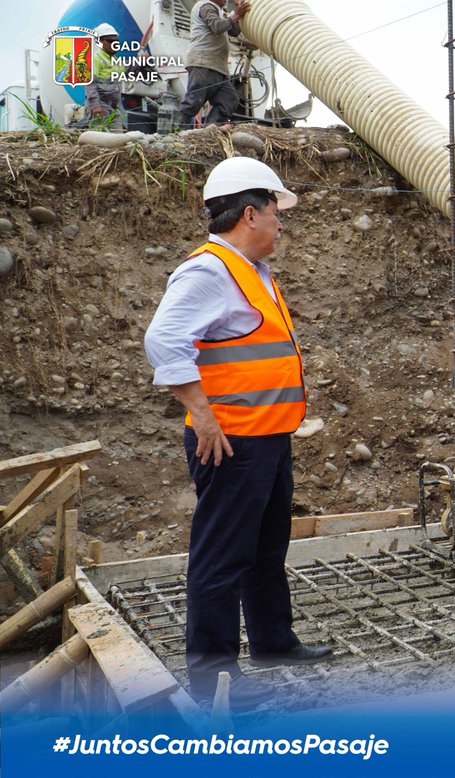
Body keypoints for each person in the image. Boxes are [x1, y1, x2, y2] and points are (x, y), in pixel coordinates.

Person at [144, 157, 331, 709]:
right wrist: (202, 414)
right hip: (231, 442)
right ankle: (214, 681)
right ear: (250, 213)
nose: (281, 224)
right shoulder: (209, 271)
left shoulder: (252, 272)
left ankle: (273, 642)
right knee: (221, 560)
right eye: (276, 212)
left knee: (266, 548)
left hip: (267, 436)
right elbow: (163, 342)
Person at [176, 0, 250, 128]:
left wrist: (238, 16)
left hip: (217, 66)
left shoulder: (219, 11)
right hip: (203, 62)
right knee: (193, 102)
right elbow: (217, 27)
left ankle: (209, 130)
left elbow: (234, 31)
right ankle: (174, 133)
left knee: (229, 99)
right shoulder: (206, 6)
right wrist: (236, 15)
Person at [82, 23, 124, 128]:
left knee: (116, 140)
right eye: (110, 41)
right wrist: (96, 106)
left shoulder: (114, 60)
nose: (114, 44)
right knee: (100, 141)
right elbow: (90, 83)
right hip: (100, 106)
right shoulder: (95, 58)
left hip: (113, 108)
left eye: (116, 41)